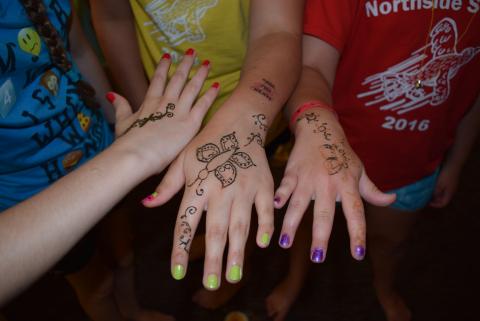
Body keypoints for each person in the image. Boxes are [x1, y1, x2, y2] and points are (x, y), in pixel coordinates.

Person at [90, 0, 305, 311]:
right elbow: (112, 19)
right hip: (175, 106)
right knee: (200, 193)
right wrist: (146, 108)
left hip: (258, 98)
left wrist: (248, 116)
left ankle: (237, 269)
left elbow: (278, 29)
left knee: (248, 197)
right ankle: (219, 242)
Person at [275, 1, 480, 321]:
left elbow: (472, 93)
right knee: (307, 227)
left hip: (416, 164)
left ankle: (384, 286)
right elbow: (310, 66)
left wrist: (456, 164)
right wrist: (315, 123)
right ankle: (295, 278)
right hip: (330, 154)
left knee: (389, 242)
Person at [0, 49, 218, 306]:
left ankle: (128, 287)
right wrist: (131, 153)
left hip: (100, 148)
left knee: (123, 247)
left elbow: (78, 49)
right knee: (97, 287)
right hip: (31, 203)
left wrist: (120, 129)